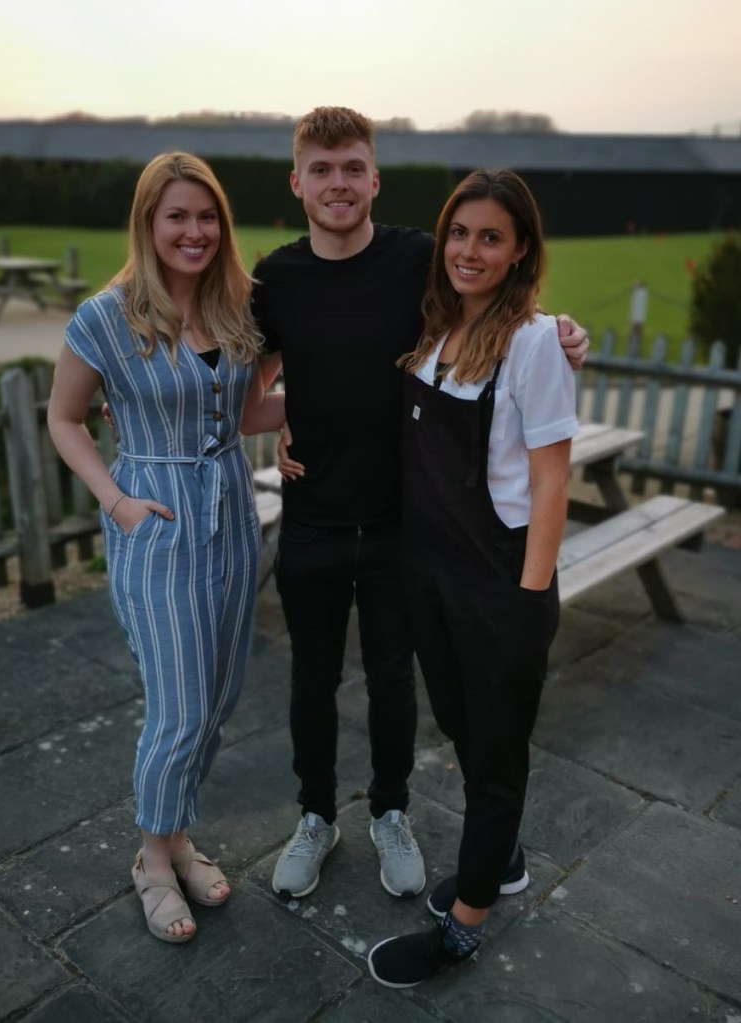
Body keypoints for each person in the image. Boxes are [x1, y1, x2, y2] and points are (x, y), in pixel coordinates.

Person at [253, 107, 588, 902]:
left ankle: (391, 811)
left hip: (403, 526)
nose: (338, 183)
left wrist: (567, 335)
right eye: (322, 169)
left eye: (353, 167)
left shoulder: (418, 260)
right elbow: (248, 394)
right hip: (312, 517)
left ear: (375, 178)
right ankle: (315, 815)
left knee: (394, 681)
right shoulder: (276, 277)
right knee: (311, 679)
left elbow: (501, 313)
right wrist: (291, 417)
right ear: (297, 181)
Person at [47, 152, 284, 944]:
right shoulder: (105, 317)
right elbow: (64, 418)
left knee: (218, 698)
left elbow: (247, 414)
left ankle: (177, 836)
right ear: (148, 223)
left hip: (233, 514)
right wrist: (115, 501)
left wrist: (327, 403)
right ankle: (152, 860)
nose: (194, 231)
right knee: (179, 707)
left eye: (207, 216)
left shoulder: (238, 306)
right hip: (155, 522)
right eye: (177, 216)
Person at [366, 169, 577, 986]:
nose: (470, 250)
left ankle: (465, 924)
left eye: (492, 237)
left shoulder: (534, 343)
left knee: (494, 755)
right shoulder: (437, 327)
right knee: (459, 722)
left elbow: (552, 482)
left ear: (521, 249)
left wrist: (528, 601)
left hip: (498, 581)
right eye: (460, 232)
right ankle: (505, 857)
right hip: (431, 571)